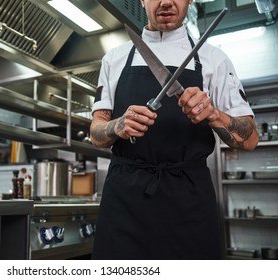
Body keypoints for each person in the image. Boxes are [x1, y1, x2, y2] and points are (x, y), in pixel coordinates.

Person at [90, 0, 259, 260]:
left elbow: (249, 139)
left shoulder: (215, 59)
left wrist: (213, 114)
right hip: (125, 202)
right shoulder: (114, 58)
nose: (167, 2)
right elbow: (96, 133)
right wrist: (118, 125)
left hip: (189, 202)